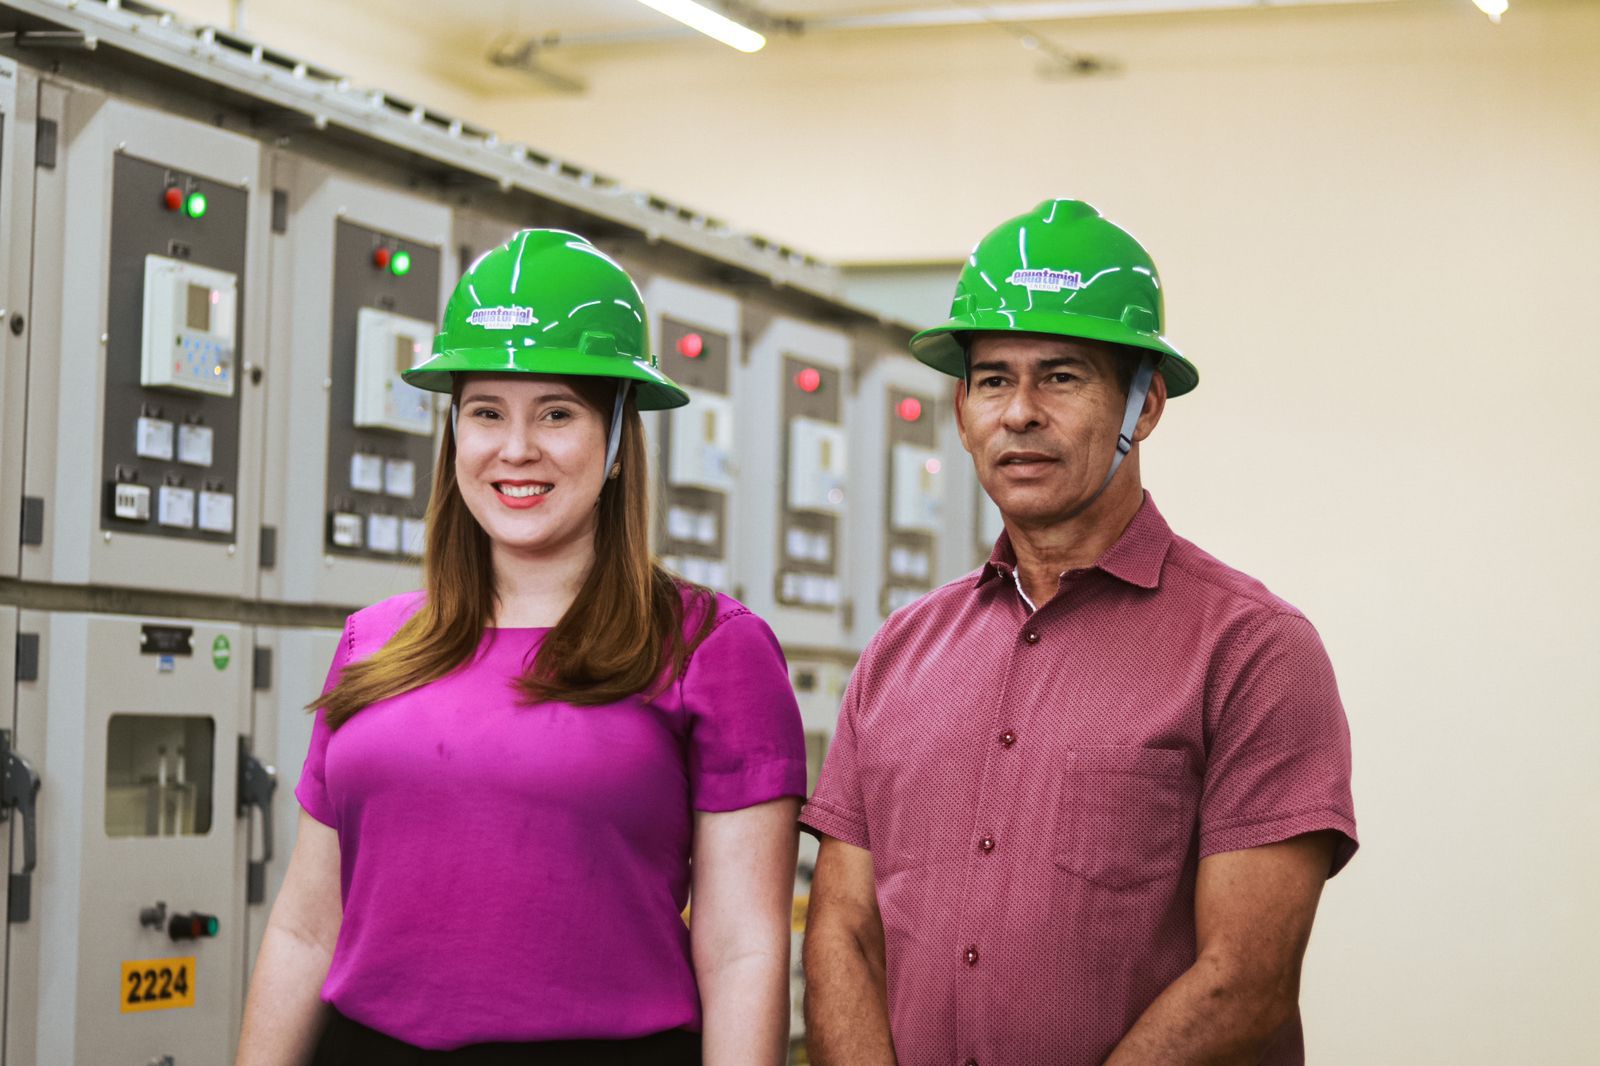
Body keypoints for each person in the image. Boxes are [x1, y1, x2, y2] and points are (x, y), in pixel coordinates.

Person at [800, 200, 1357, 1065]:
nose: (1019, 413)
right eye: (993, 379)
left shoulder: (1253, 651)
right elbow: (843, 929)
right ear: (960, 408)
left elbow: (1245, 977)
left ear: (1147, 402)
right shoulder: (898, 653)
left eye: (1061, 376)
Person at [236, 230, 806, 1066]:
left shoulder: (711, 647)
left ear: (617, 441)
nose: (516, 449)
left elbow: (743, 948)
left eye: (557, 413)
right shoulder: (374, 641)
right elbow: (304, 926)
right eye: (485, 413)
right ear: (454, 435)